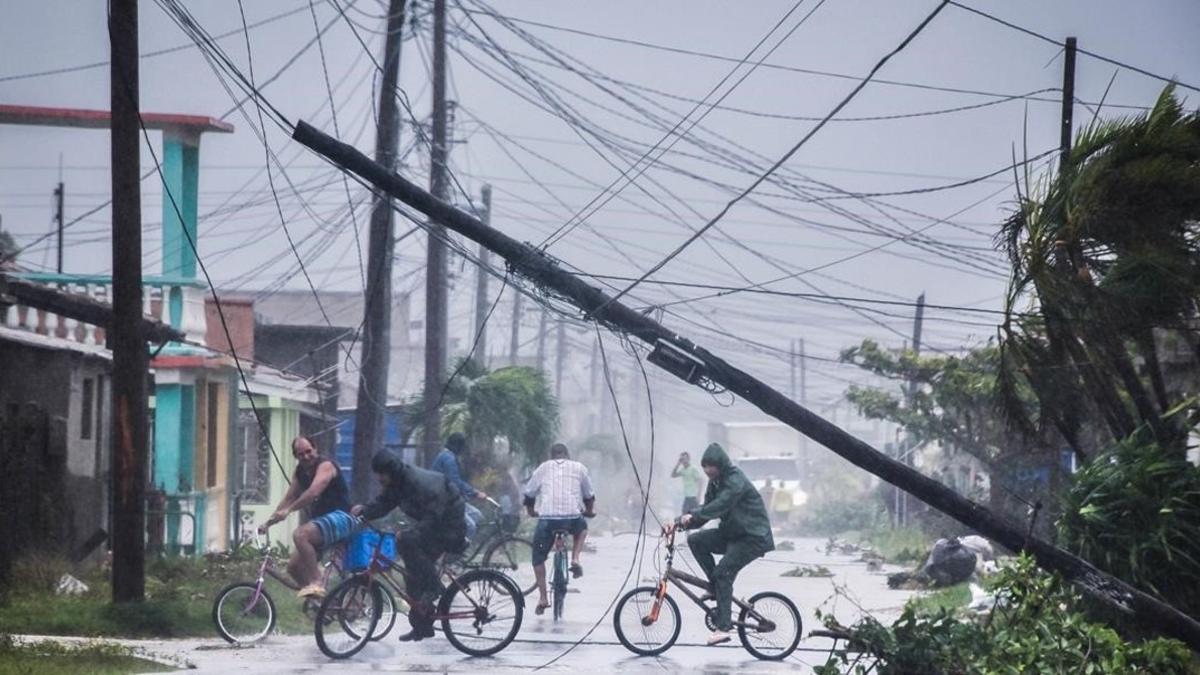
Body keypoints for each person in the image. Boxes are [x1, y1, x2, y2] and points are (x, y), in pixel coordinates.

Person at [352, 449, 468, 642]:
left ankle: (434, 587)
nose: (380, 478)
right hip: (435, 523)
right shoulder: (397, 483)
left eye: (382, 474)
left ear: (392, 471)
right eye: (378, 474)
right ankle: (422, 626)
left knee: (407, 541)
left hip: (449, 524)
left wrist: (414, 532)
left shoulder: (417, 483)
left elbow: (434, 514)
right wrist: (365, 510)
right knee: (412, 574)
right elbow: (384, 503)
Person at [665, 443, 774, 646]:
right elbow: (706, 510)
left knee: (723, 573)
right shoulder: (714, 483)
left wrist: (693, 514)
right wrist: (680, 521)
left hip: (752, 537)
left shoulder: (735, 481)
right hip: (732, 533)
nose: (707, 470)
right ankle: (716, 587)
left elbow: (720, 505)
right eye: (704, 466)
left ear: (720, 464)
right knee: (696, 540)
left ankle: (723, 627)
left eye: (711, 466)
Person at [259, 437, 354, 599]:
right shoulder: (300, 472)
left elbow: (313, 492)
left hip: (342, 518)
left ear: (315, 448)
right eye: (300, 454)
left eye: (308, 451)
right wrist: (269, 522)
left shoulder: (326, 466)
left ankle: (317, 582)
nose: (306, 456)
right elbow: (289, 498)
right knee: (294, 568)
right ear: (296, 456)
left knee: (300, 534)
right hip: (322, 523)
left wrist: (289, 510)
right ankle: (324, 604)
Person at [523, 443, 595, 615]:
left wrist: (532, 512)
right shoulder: (579, 468)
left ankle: (543, 598)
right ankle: (576, 558)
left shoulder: (543, 468)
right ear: (567, 455)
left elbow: (529, 494)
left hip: (547, 519)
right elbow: (589, 496)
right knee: (582, 528)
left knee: (538, 558)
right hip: (571, 518)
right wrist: (590, 511)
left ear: (551, 455)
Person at [430, 432, 488, 538]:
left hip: (451, 499)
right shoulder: (448, 459)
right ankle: (454, 553)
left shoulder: (447, 456)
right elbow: (455, 482)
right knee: (470, 527)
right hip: (444, 501)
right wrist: (475, 493)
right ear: (457, 446)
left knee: (477, 515)